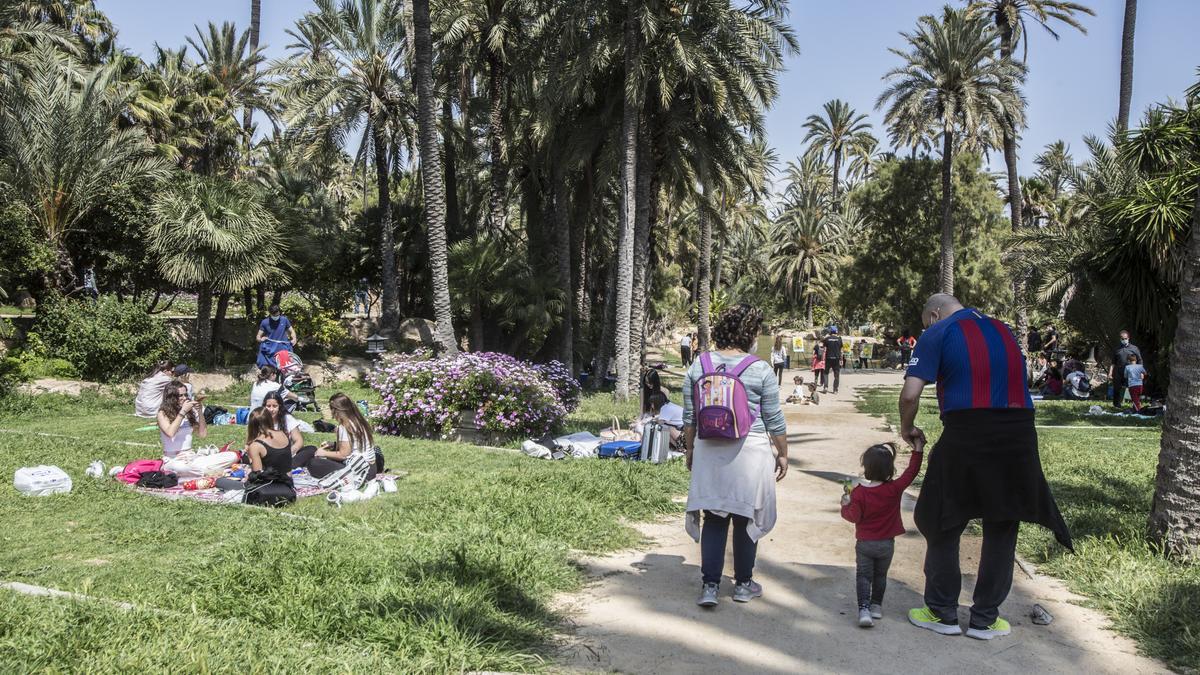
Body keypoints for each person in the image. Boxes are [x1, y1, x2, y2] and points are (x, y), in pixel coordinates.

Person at [900, 294, 1071, 640]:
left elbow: (909, 394)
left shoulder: (938, 331)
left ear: (934, 315)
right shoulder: (1003, 329)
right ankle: (985, 619)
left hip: (967, 429)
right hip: (1019, 432)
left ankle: (941, 611)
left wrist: (907, 428)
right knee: (1002, 520)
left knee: (941, 518)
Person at [683, 304, 789, 608]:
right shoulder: (760, 369)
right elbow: (774, 420)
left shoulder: (698, 365)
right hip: (750, 450)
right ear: (751, 334)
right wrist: (783, 453)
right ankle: (743, 585)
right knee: (745, 517)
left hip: (709, 449)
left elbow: (690, 418)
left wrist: (691, 450)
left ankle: (710, 587)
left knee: (714, 518)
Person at [840, 441, 925, 628]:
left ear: (866, 467)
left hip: (865, 544)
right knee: (881, 575)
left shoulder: (859, 493)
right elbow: (912, 472)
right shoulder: (894, 489)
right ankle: (876, 606)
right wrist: (918, 450)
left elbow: (853, 517)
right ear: (890, 468)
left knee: (863, 576)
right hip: (887, 544)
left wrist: (845, 504)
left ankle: (863, 609)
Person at [293, 393, 382, 479]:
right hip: (370, 468)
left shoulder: (345, 427)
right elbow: (354, 446)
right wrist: (334, 445)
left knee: (313, 463)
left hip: (359, 471)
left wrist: (323, 453)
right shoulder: (359, 421)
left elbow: (343, 455)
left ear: (336, 410)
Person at [241, 407, 297, 507]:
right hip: (287, 485)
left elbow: (258, 476)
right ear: (270, 420)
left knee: (222, 482)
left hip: (267, 487)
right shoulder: (283, 434)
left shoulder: (256, 445)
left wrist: (250, 459)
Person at [157, 380, 208, 465]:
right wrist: (183, 412)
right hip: (172, 458)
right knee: (183, 467)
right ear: (171, 397)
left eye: (185, 395)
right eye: (180, 395)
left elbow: (203, 434)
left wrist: (199, 412)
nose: (184, 398)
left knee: (231, 456)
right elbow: (170, 433)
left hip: (189, 455)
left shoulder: (190, 412)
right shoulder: (162, 413)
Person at [263, 390, 312, 455]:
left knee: (311, 449)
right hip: (266, 454)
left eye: (275, 406)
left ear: (280, 406)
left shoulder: (288, 419)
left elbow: (299, 441)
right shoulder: (260, 420)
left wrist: (289, 452)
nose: (271, 409)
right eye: (268, 406)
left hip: (286, 454)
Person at [256, 304, 298, 368]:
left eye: (278, 315)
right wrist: (261, 339)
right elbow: (258, 337)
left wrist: (294, 338)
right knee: (266, 367)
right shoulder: (265, 322)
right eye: (274, 315)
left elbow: (291, 331)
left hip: (283, 348)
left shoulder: (284, 320)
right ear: (270, 313)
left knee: (288, 367)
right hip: (270, 350)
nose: (276, 316)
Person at [1109, 330, 1142, 408]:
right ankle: (1116, 405)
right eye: (1122, 339)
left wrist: (1140, 372)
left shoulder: (1134, 348)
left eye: (1125, 338)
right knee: (1116, 389)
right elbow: (1113, 363)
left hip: (1131, 372)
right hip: (1118, 371)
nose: (1124, 340)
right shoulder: (1117, 349)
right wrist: (1110, 373)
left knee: (1133, 389)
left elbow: (1140, 360)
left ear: (1128, 338)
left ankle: (1135, 405)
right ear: (1120, 339)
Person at [822, 327, 844, 394]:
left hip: (828, 359)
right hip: (836, 359)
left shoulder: (826, 339)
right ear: (836, 332)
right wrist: (841, 359)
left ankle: (825, 387)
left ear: (830, 332)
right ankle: (835, 390)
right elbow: (841, 351)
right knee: (836, 375)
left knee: (826, 373)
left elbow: (824, 350)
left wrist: (823, 359)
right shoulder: (839, 340)